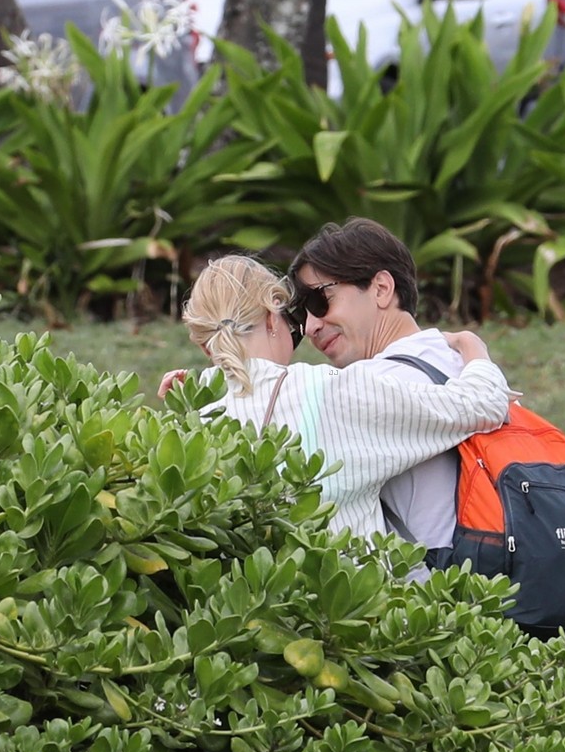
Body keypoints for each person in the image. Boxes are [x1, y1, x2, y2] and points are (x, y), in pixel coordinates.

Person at [164, 255, 517, 540]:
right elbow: (482, 405)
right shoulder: (334, 391)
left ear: (204, 346)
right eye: (294, 318)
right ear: (272, 318)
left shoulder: (189, 417)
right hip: (354, 612)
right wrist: (471, 345)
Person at [287, 217, 481, 565]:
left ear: (380, 289)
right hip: (479, 597)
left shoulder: (376, 385)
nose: (312, 326)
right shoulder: (458, 361)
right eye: (301, 315)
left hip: (419, 609)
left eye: (320, 300)